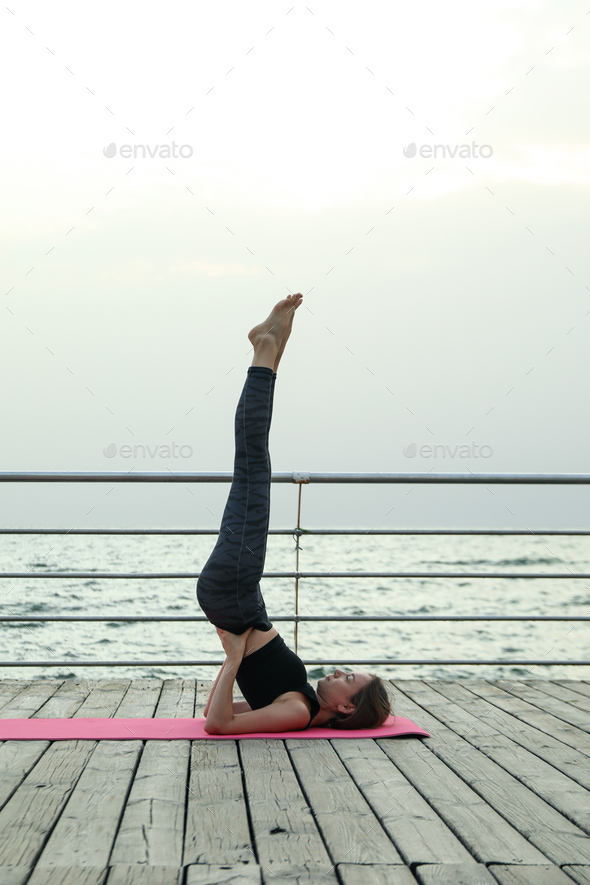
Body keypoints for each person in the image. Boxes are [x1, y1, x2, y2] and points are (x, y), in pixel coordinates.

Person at [196, 293, 392, 734]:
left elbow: (216, 727)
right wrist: (233, 663)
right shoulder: (298, 696)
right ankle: (268, 351)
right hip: (242, 598)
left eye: (348, 679)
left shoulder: (299, 711)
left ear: (345, 708)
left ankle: (266, 350)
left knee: (253, 465)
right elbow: (218, 710)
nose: (340, 671)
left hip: (234, 593)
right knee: (252, 464)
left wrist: (232, 659)